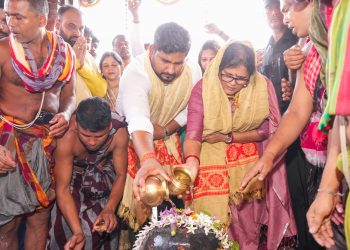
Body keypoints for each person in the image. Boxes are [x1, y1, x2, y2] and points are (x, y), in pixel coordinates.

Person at [183, 41, 297, 249]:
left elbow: (267, 130)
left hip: (247, 169)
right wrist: (191, 163)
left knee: (247, 228)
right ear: (218, 67)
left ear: (250, 76)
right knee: (212, 226)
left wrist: (228, 137)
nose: (233, 83)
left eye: (241, 78)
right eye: (227, 75)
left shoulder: (261, 86)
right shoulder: (203, 87)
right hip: (210, 163)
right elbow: (193, 133)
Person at [0, 0, 76, 249]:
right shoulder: (2, 50)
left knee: (40, 219)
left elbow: (69, 95)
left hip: (46, 142)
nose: (11, 23)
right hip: (9, 141)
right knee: (7, 223)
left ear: (42, 20)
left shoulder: (64, 53)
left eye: (19, 17)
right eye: (9, 16)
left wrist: (65, 114)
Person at [117, 22, 202, 230]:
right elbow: (138, 119)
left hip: (170, 144)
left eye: (178, 63)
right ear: (152, 50)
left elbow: (191, 109)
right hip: (134, 146)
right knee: (137, 222)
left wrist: (166, 129)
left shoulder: (193, 71)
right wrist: (147, 159)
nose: (171, 70)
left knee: (176, 214)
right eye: (165, 61)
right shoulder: (135, 73)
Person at [47, 97, 128, 249]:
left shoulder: (118, 131)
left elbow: (121, 175)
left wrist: (109, 209)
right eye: (85, 135)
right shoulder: (66, 136)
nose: (92, 142)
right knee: (63, 227)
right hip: (71, 177)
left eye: (99, 136)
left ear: (109, 126)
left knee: (103, 226)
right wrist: (77, 232)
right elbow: (62, 189)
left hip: (103, 175)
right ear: (76, 125)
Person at [55, 5, 107, 105]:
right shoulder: (50, 50)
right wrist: (74, 62)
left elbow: (101, 91)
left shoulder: (86, 54)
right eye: (71, 26)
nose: (77, 33)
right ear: (58, 25)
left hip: (89, 117)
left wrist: (82, 67)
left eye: (81, 28)